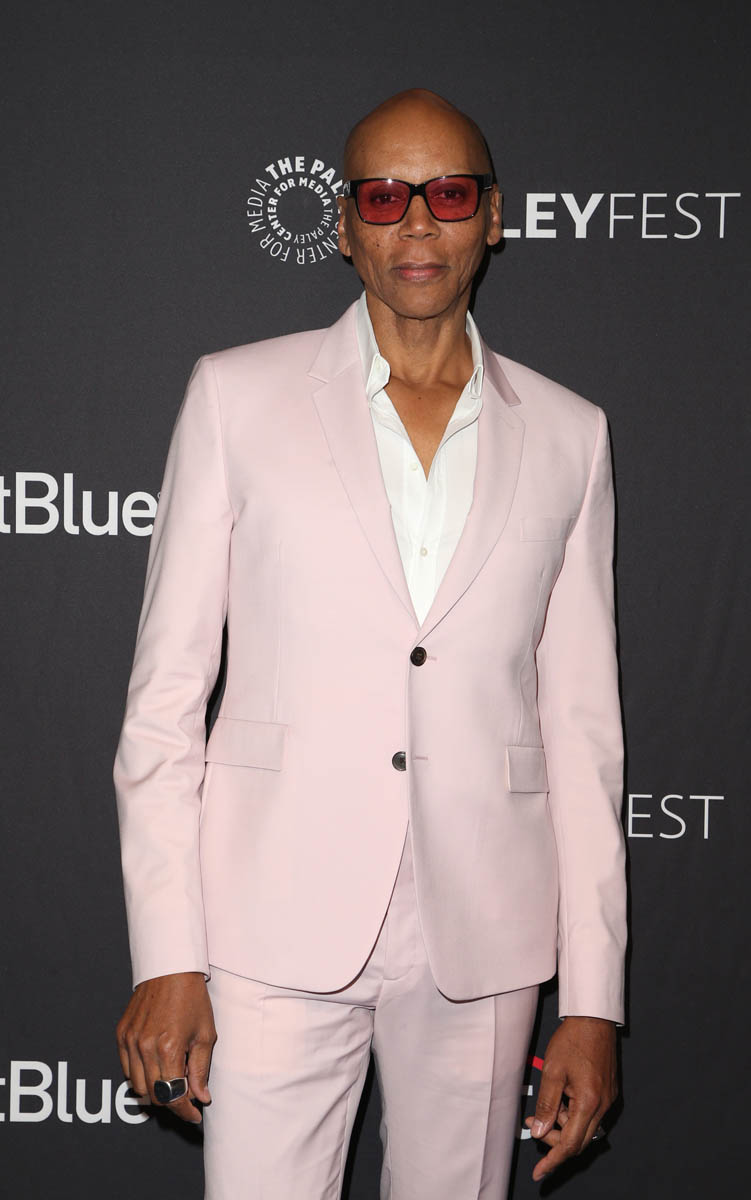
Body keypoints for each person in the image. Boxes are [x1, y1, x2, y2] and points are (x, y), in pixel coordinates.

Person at [113, 88, 627, 1199]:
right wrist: (169, 955)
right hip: (269, 919)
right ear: (345, 226)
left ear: (494, 216)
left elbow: (583, 734)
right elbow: (165, 702)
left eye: (449, 195)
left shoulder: (571, 435)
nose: (418, 223)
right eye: (385, 197)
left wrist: (592, 1002)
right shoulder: (235, 397)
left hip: (483, 933)